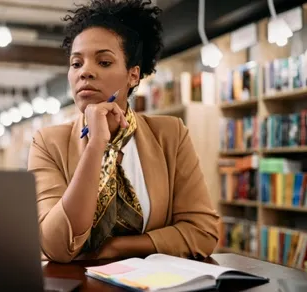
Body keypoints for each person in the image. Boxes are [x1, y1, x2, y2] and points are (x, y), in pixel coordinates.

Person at [27, 0, 220, 263]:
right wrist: (96, 146)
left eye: (104, 62)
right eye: (76, 63)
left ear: (133, 75)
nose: (85, 72)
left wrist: (119, 247)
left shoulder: (171, 134)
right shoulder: (48, 143)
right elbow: (56, 245)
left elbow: (203, 232)